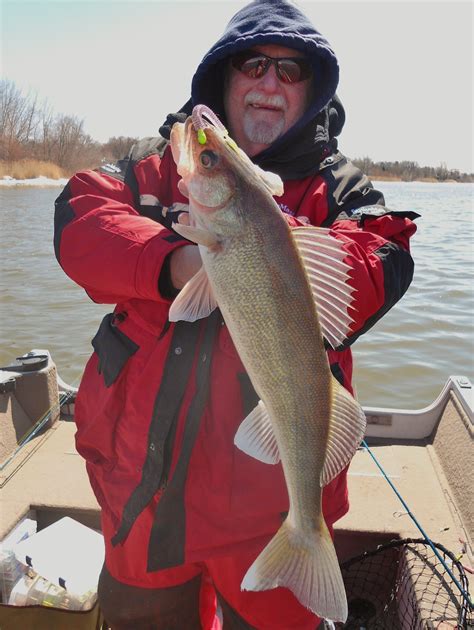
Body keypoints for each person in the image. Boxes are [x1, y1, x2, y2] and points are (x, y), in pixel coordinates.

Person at [54, 1, 418, 628]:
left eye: (292, 70)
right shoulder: (155, 166)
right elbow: (79, 220)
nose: (270, 83)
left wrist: (270, 247)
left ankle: (305, 542)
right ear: (224, 76)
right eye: (254, 64)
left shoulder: (345, 189)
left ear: (312, 91)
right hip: (143, 495)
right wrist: (177, 264)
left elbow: (383, 256)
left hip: (270, 505)